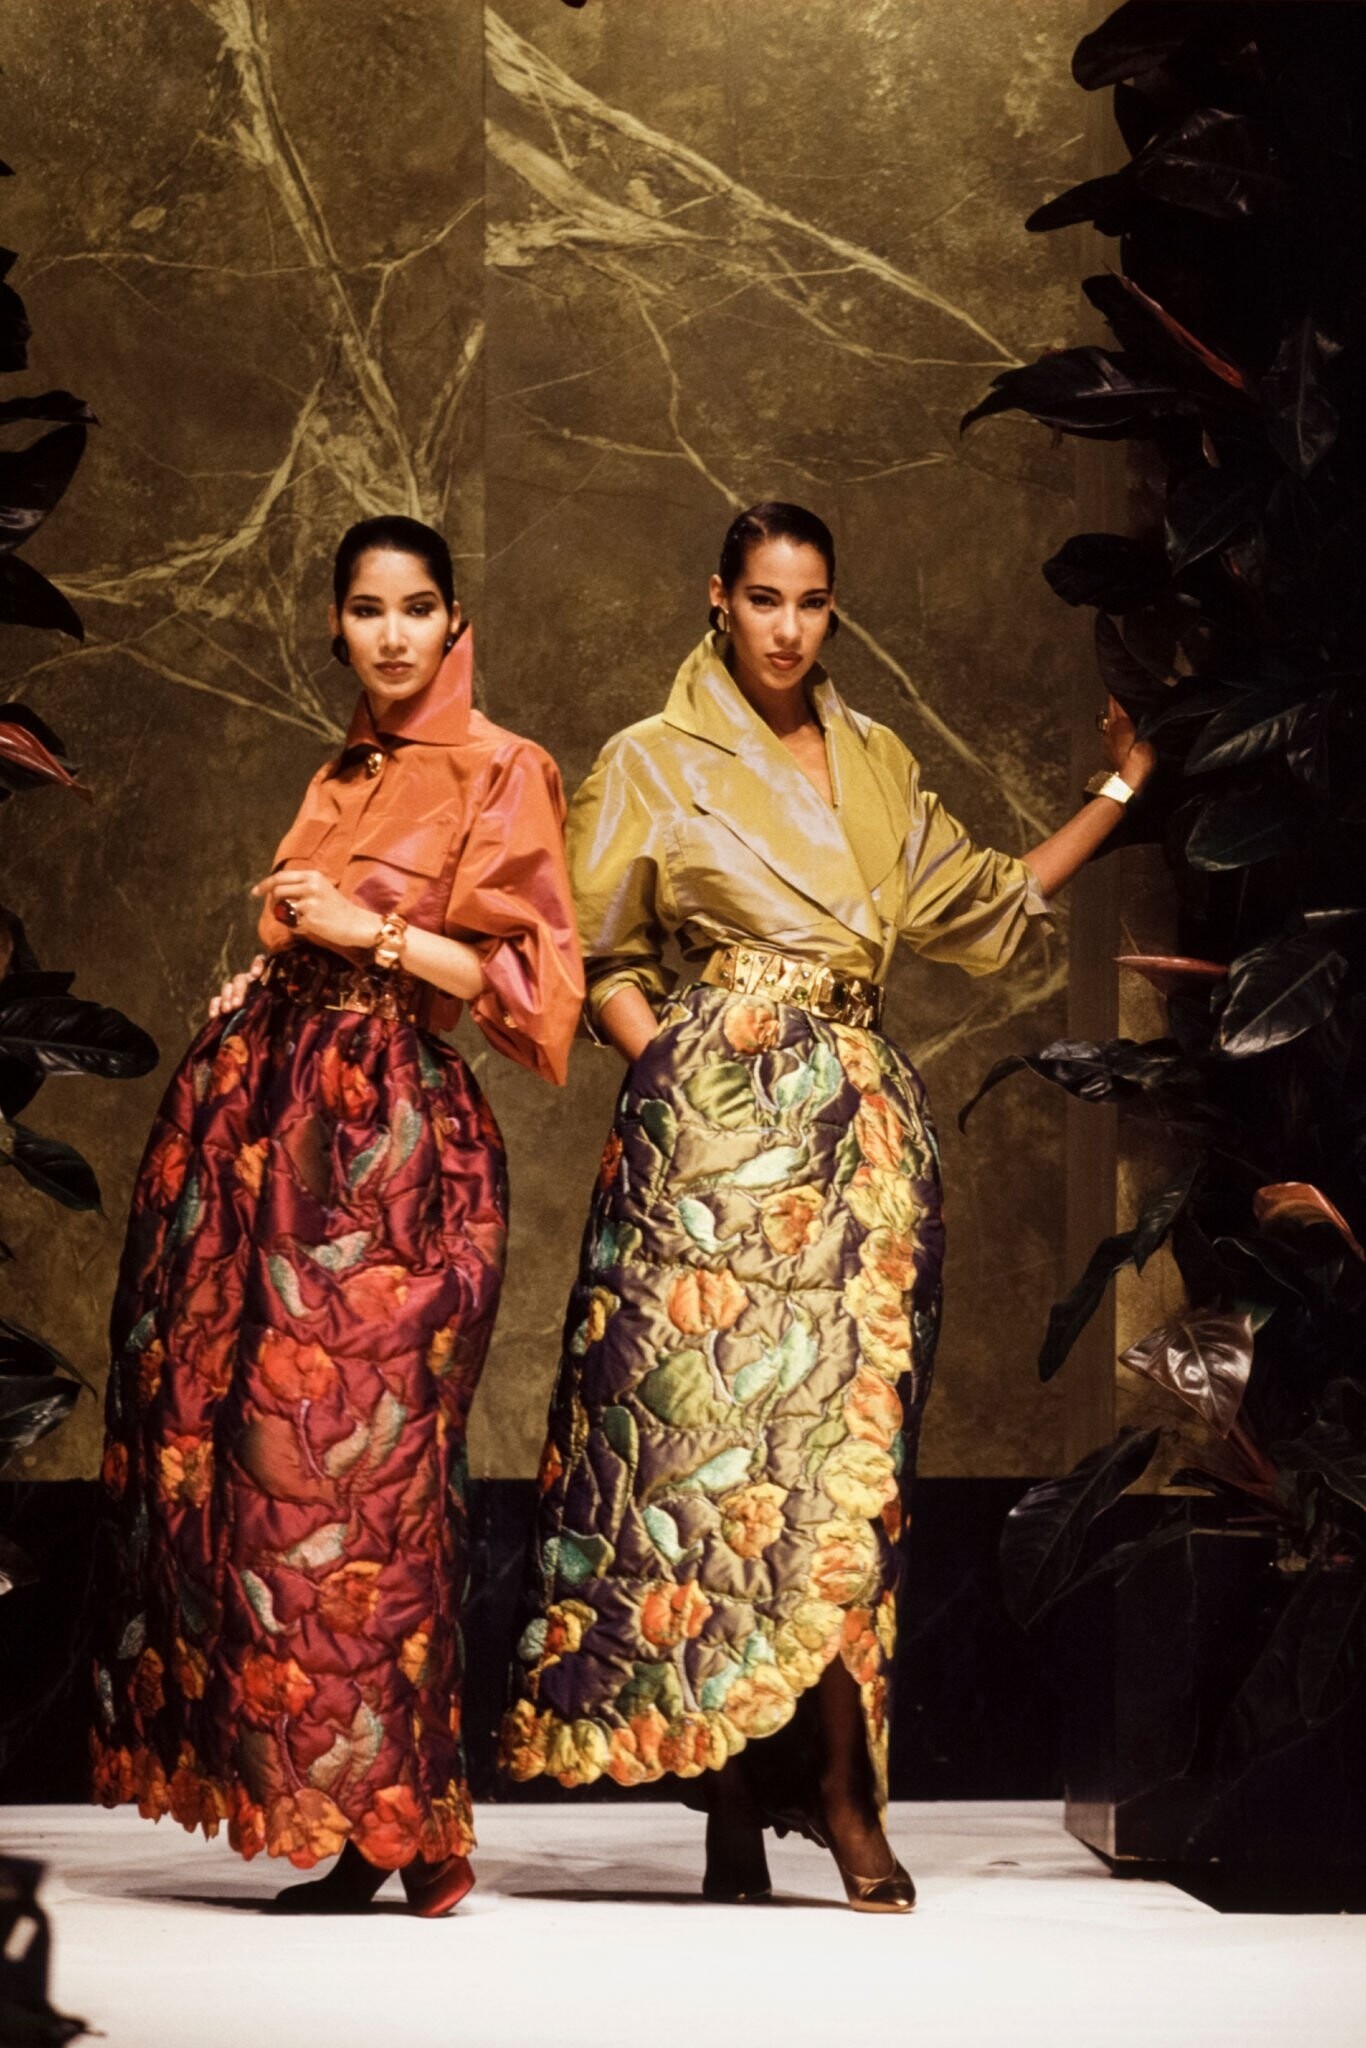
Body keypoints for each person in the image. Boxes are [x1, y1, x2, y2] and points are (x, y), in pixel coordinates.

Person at [501, 501, 1153, 1912]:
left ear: (832, 608)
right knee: (710, 1465)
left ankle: (846, 1789)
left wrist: (1122, 791)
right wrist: (674, 1071)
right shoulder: (651, 758)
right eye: (763, 599)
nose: (786, 627)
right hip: (703, 1148)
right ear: (717, 599)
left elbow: (986, 908)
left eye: (809, 601)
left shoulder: (876, 761)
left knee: (844, 1461)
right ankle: (731, 1797)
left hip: (855, 1144)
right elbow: (595, 953)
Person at [92, 515, 583, 1916]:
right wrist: (263, 979)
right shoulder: (346, 767)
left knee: (364, 1480)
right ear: (335, 624)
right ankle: (359, 1812)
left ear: (454, 620)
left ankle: (404, 1822)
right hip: (269, 1140)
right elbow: (304, 928)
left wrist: (363, 935)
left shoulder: (503, 767)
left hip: (387, 1153)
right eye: (367, 610)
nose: (392, 635)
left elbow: (528, 993)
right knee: (245, 1465)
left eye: (417, 608)